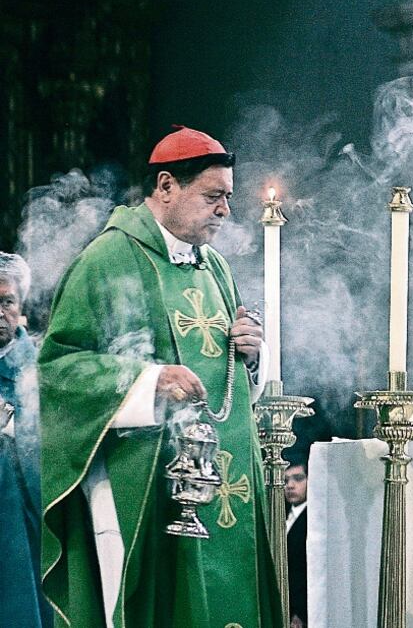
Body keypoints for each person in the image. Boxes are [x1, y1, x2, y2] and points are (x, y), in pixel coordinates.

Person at [39, 126, 282, 627]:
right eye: (213, 197)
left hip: (222, 476)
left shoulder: (214, 266)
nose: (225, 211)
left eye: (228, 198)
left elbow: (230, 381)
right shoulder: (107, 259)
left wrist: (250, 355)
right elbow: (58, 368)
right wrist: (148, 382)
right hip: (141, 478)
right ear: (167, 186)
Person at [0, 252, 50, 627]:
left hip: (19, 527)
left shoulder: (43, 368)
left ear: (20, 307)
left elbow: (62, 441)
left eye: (6, 301)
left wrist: (11, 423)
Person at [285, 459, 309, 628]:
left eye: (298, 478)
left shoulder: (314, 518)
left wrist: (300, 613)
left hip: (301, 611)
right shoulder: (281, 513)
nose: (290, 485)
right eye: (286, 480)